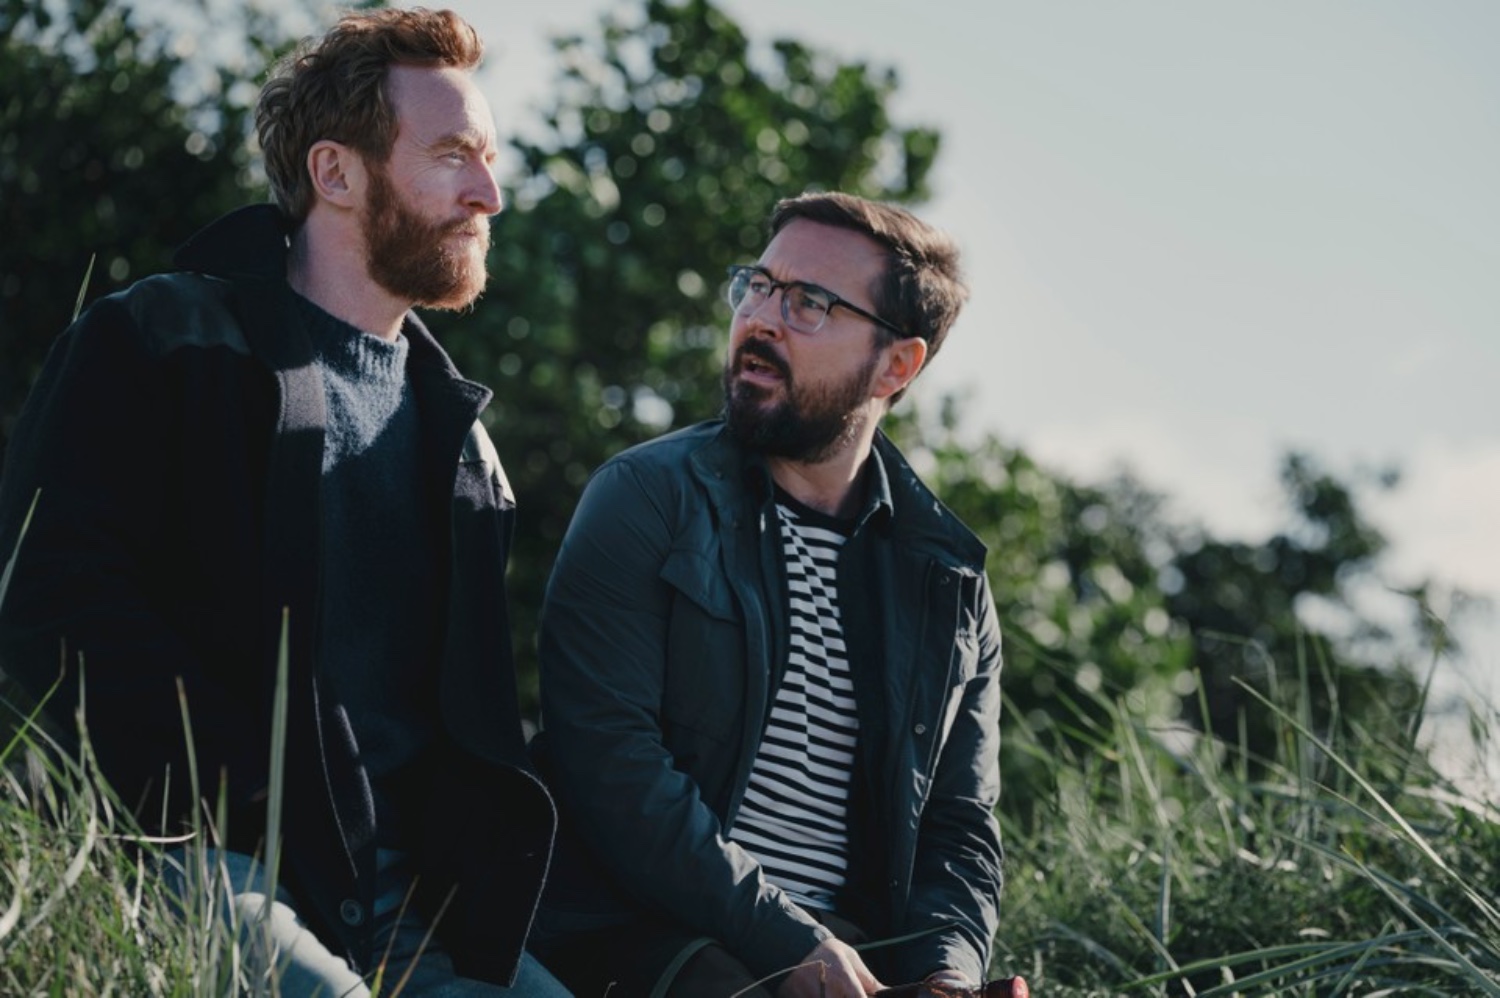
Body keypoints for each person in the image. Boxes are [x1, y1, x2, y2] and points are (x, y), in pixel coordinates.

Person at [0, 8, 568, 996]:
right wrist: (239, 787)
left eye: (489, 157)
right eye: (453, 157)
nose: (492, 193)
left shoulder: (462, 441)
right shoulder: (161, 338)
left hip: (409, 903)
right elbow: (51, 595)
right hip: (196, 850)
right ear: (336, 173)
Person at [531, 192, 1005, 997]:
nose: (762, 318)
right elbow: (611, 765)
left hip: (846, 961)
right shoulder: (647, 498)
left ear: (897, 364)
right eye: (757, 284)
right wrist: (789, 942)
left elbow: (959, 830)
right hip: (642, 935)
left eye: (810, 303)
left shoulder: (949, 582)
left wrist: (945, 977)